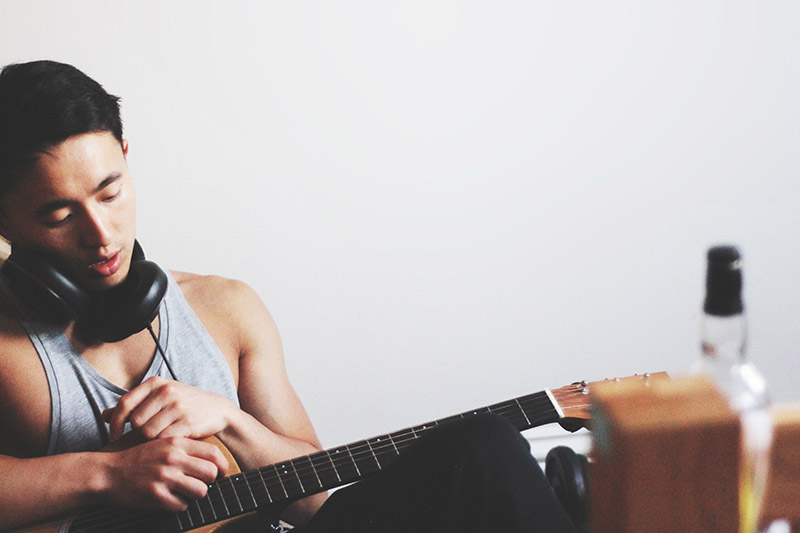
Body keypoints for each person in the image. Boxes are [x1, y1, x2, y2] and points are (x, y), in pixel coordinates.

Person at [0, 60, 576, 532]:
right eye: (58, 215)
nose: (101, 234)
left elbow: (316, 503)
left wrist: (232, 423)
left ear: (127, 157)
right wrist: (109, 474)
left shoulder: (225, 308)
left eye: (110, 193)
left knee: (483, 446)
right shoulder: (8, 346)